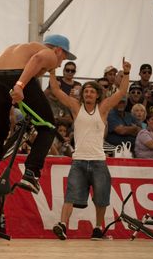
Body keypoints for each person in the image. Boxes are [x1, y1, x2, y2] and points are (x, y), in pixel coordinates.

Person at [0, 34, 76, 198]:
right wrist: (20, 85)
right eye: (64, 57)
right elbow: (37, 59)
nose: (61, 62)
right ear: (58, 50)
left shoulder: (21, 48)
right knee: (48, 127)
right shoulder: (48, 53)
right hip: (15, 77)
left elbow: (5, 73)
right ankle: (31, 172)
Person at [50, 57, 131, 240]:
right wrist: (52, 70)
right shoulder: (76, 107)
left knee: (101, 198)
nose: (88, 94)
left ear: (97, 95)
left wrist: (126, 73)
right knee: (70, 195)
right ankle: (62, 225)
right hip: (78, 160)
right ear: (82, 94)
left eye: (91, 92)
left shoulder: (103, 108)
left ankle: (97, 229)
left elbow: (122, 92)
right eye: (85, 91)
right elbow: (55, 90)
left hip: (98, 161)